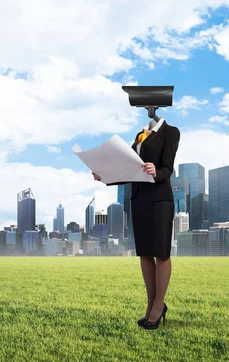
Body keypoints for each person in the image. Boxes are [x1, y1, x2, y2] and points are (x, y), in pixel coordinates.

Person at [92, 116, 180, 330]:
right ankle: (150, 306)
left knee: (161, 253)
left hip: (160, 199)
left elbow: (168, 168)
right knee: (145, 254)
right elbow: (129, 171)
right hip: (139, 200)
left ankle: (159, 306)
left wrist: (155, 171)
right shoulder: (139, 137)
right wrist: (105, 177)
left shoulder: (171, 132)